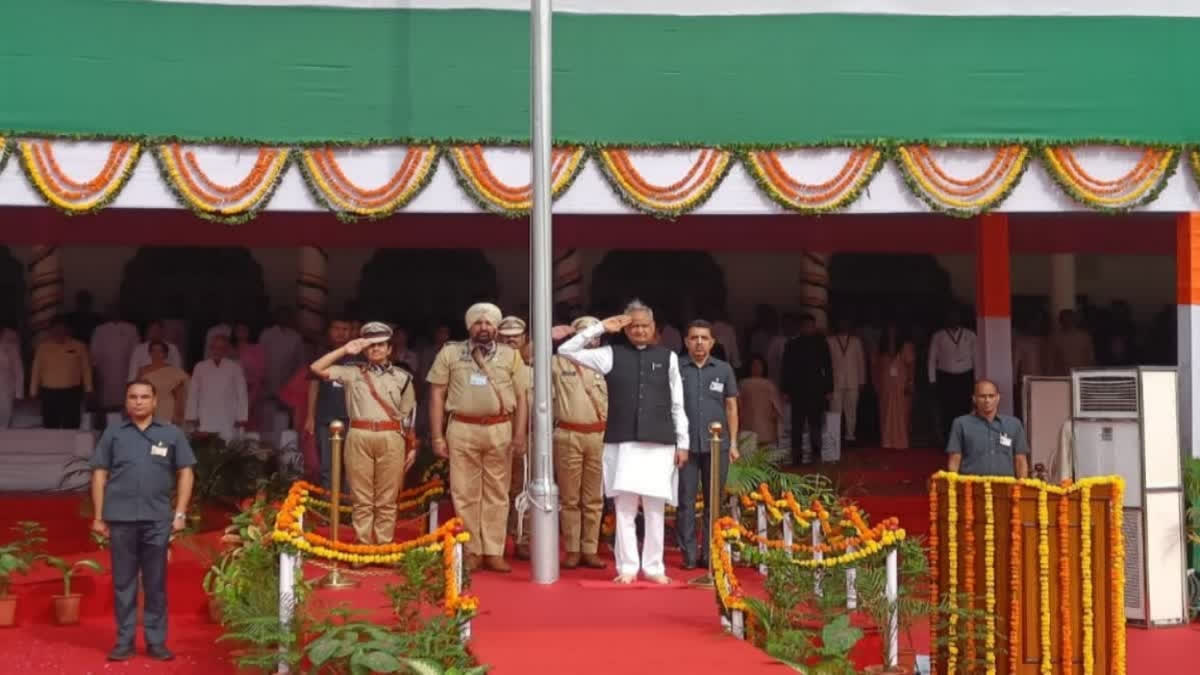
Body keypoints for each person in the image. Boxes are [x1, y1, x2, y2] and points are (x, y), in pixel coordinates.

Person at [554, 300, 689, 585]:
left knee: (654, 509)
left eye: (645, 325)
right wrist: (601, 327)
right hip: (621, 442)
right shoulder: (610, 354)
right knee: (624, 508)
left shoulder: (669, 357)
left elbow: (678, 403)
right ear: (626, 329)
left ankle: (653, 567)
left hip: (659, 443)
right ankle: (627, 567)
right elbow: (566, 350)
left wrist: (683, 443)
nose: (639, 330)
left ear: (654, 328)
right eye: (634, 325)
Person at [89, 380, 196, 662]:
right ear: (126, 401)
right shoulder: (113, 433)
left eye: (144, 397)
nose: (138, 401)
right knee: (123, 583)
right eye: (133, 397)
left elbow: (186, 472)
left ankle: (156, 641)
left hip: (157, 520)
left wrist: (181, 513)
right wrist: (98, 516)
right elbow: (99, 473)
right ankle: (123, 641)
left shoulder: (171, 433)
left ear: (155, 401)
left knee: (155, 583)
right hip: (120, 519)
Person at [427, 303, 529, 573]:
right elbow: (437, 394)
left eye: (488, 323)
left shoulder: (511, 356)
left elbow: (522, 397)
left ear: (496, 327)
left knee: (498, 492)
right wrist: (437, 437)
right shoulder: (450, 352)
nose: (483, 327)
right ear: (469, 326)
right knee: (464, 492)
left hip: (500, 429)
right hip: (462, 428)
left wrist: (520, 434)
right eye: (478, 323)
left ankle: (494, 551)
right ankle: (472, 550)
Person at [311, 322, 417, 546]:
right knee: (362, 497)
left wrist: (412, 447)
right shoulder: (353, 372)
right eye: (370, 346)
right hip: (359, 434)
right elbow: (316, 368)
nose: (375, 349)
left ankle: (384, 544)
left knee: (388, 497)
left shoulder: (403, 377)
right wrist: (345, 350)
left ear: (390, 349)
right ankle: (363, 543)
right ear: (364, 350)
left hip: (391, 437)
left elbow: (408, 416)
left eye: (380, 345)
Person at [676, 320, 738, 570]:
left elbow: (731, 406)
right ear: (686, 342)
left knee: (715, 501)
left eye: (704, 338)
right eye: (694, 338)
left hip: (718, 446)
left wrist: (733, 443)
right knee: (685, 501)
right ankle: (689, 553)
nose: (699, 342)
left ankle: (710, 553)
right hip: (685, 446)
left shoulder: (723, 370)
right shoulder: (677, 368)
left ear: (712, 342)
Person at [550, 316, 609, 569]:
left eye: (594, 334)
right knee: (570, 498)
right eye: (583, 334)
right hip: (568, 434)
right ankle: (573, 549)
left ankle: (590, 548)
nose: (590, 339)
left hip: (600, 436)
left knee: (594, 498)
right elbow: (526, 359)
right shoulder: (557, 361)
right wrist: (546, 335)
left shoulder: (608, 362)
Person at [305, 316, 356, 489]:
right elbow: (313, 385)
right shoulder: (321, 355)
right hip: (325, 416)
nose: (341, 333)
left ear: (352, 332)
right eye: (337, 328)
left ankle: (348, 507)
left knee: (351, 465)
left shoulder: (361, 358)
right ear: (329, 331)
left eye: (345, 329)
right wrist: (310, 416)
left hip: (353, 418)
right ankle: (329, 506)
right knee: (327, 465)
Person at [946, 379, 1029, 478]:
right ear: (974, 399)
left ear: (998, 398)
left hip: (1006, 489)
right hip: (970, 488)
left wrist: (1022, 487)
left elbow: (1020, 460)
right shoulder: (961, 423)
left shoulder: (1014, 424)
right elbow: (955, 459)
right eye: (982, 396)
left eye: (991, 396)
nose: (987, 400)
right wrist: (952, 485)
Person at [781, 314, 832, 465]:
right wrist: (785, 389)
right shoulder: (792, 344)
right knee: (797, 425)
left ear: (814, 326)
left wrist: (829, 388)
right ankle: (797, 457)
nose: (809, 328)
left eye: (811, 325)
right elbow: (786, 368)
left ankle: (816, 455)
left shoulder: (821, 344)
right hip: (797, 390)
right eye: (806, 325)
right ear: (801, 327)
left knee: (815, 424)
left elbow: (828, 367)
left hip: (816, 389)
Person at [31, 317, 93, 429]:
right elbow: (36, 370)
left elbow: (86, 369)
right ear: (50, 331)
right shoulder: (43, 347)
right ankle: (51, 446)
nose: (59, 332)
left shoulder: (79, 346)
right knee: (50, 424)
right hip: (49, 392)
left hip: (72, 391)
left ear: (67, 330)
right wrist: (33, 391)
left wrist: (89, 389)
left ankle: (70, 446)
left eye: (62, 329)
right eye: (56, 329)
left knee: (72, 423)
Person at [185, 334, 248, 441]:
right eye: (215, 348)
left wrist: (242, 417)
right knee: (205, 446)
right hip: (205, 414)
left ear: (226, 350)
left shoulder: (235, 367)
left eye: (221, 348)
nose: (217, 351)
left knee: (227, 443)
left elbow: (242, 393)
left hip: (228, 415)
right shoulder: (200, 367)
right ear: (210, 349)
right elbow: (193, 393)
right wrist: (192, 416)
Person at [928, 308, 977, 439]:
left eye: (956, 316)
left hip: (965, 377)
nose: (953, 319)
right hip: (946, 378)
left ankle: (964, 440)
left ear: (960, 318)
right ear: (946, 319)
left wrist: (977, 379)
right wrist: (932, 380)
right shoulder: (938, 336)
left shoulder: (970, 335)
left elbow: (976, 358)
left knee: (965, 410)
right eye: (950, 317)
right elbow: (932, 358)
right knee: (947, 411)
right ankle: (949, 441)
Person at [260, 307, 305, 433]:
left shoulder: (296, 338)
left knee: (283, 426)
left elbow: (300, 364)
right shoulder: (267, 334)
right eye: (281, 314)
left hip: (287, 387)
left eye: (286, 315)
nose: (283, 318)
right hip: (266, 388)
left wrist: (292, 386)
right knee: (265, 425)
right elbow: (260, 360)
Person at [873, 322, 915, 449]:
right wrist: (876, 384)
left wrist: (910, 382)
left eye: (894, 330)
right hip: (885, 385)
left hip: (901, 384)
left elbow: (911, 366)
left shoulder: (906, 346)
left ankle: (901, 442)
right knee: (886, 413)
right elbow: (875, 368)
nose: (892, 333)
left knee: (902, 413)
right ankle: (886, 442)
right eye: (889, 330)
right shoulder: (880, 347)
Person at [90, 308, 140, 416]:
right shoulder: (99, 330)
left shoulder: (131, 329)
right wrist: (96, 373)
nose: (115, 314)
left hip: (125, 374)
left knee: (126, 405)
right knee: (105, 406)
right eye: (112, 311)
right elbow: (94, 355)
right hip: (104, 374)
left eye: (117, 311)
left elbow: (136, 353)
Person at [827, 317, 866, 444]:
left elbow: (861, 361)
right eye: (841, 322)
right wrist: (827, 383)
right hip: (835, 382)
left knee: (851, 410)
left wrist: (862, 381)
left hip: (853, 380)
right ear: (837, 324)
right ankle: (834, 438)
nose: (843, 324)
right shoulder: (830, 340)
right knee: (834, 411)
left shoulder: (856, 341)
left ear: (849, 324)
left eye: (846, 322)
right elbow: (826, 363)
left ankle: (850, 436)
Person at [137, 341, 189, 426]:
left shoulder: (173, 371)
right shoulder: (142, 370)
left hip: (167, 409)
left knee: (164, 437)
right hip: (147, 408)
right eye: (153, 351)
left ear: (165, 354)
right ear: (149, 353)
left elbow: (179, 394)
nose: (156, 354)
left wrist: (178, 414)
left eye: (160, 351)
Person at [738, 354, 783, 448]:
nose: (756, 368)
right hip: (748, 423)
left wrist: (775, 417)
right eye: (754, 365)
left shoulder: (769, 385)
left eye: (759, 365)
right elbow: (738, 404)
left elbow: (776, 406)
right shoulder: (742, 385)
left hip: (766, 423)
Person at [231, 322, 267, 431]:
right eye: (239, 330)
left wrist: (249, 387)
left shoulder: (257, 349)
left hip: (251, 391)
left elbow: (261, 373)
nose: (241, 332)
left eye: (244, 330)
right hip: (230, 391)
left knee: (247, 422)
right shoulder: (229, 349)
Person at [1048, 308, 1095, 375]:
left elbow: (1090, 358)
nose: (1067, 321)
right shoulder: (1055, 338)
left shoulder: (1084, 336)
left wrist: (1090, 373)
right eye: (1064, 319)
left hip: (1081, 373)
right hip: (1063, 375)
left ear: (1074, 319)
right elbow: (1052, 359)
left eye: (1069, 318)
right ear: (1060, 321)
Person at [0, 323, 23, 428]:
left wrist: (18, 394)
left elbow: (19, 372)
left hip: (6, 390)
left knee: (4, 421)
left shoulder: (11, 347)